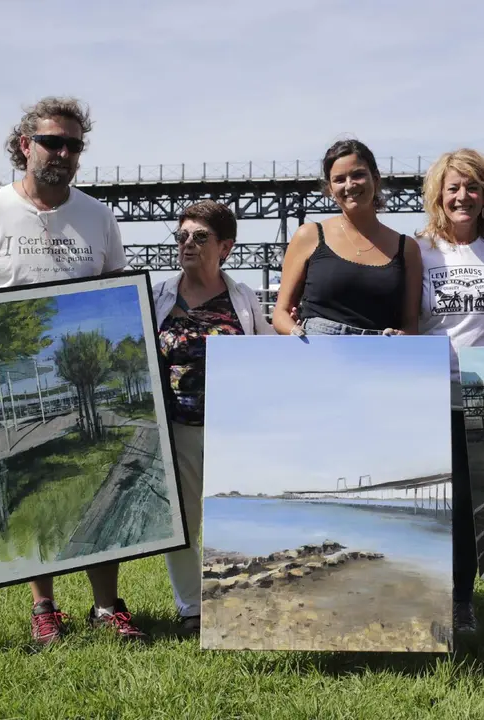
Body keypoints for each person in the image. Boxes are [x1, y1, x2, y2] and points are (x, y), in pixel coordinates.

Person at [0, 96, 146, 645]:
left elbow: (116, 296)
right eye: (51, 142)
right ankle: (45, 606)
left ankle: (107, 607)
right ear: (24, 145)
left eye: (73, 145)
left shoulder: (97, 215)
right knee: (29, 488)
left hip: (86, 371)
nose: (62, 153)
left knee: (100, 477)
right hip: (12, 375)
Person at [153, 200, 273, 635]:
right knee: (183, 523)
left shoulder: (243, 299)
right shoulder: (159, 296)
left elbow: (267, 351)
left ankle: (237, 601)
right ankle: (191, 610)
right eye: (182, 235)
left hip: (231, 431)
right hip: (177, 429)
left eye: (200, 237)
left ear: (225, 247)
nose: (188, 243)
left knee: (236, 515)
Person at [416, 148, 484, 634]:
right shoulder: (418, 250)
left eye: (473, 187)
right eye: (453, 187)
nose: (463, 196)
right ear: (438, 194)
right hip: (432, 396)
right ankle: (434, 596)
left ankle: (462, 601)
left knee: (474, 509)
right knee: (444, 507)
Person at [272, 138, 422, 337]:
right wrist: (295, 332)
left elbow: (411, 324)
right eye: (339, 179)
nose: (350, 185)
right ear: (330, 189)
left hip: (380, 354)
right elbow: (280, 313)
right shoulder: (309, 236)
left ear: (375, 180)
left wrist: (402, 337)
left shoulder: (407, 248)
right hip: (318, 349)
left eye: (358, 175)